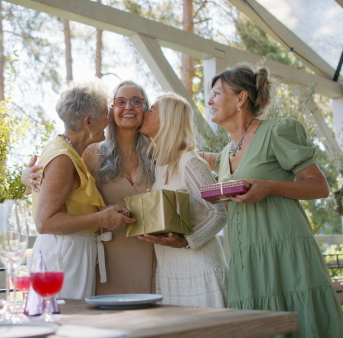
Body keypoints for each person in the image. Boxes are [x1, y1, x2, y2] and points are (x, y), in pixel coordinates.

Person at [202, 63, 343, 337]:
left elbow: (319, 187)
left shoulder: (277, 131)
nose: (209, 101)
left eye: (217, 94)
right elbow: (202, 158)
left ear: (241, 98)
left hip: (284, 252)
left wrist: (268, 187)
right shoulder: (224, 155)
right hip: (246, 259)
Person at [23, 81, 157, 295]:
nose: (108, 119)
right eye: (107, 113)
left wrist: (102, 211)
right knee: (68, 320)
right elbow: (44, 221)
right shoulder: (65, 157)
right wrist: (100, 219)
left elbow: (72, 202)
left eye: (136, 101)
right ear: (88, 121)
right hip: (64, 254)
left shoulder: (70, 153)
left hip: (76, 253)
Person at [138, 92, 228, 308]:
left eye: (151, 111)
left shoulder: (190, 162)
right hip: (170, 269)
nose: (145, 113)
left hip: (199, 268)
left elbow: (219, 212)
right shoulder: (158, 166)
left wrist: (187, 241)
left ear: (168, 120)